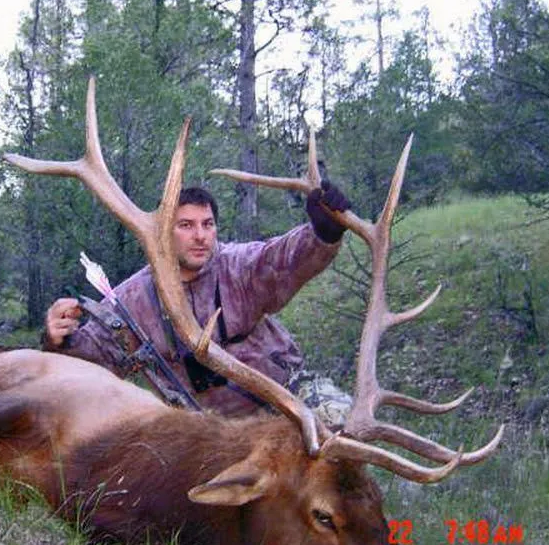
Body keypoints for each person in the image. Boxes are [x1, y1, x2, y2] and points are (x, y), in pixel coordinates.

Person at [42, 179, 353, 422]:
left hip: (283, 395)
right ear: (164, 232)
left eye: (208, 224)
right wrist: (60, 340)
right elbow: (96, 356)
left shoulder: (239, 265)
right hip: (203, 425)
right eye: (186, 225)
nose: (201, 236)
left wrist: (323, 232)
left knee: (337, 417)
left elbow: (285, 258)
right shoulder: (133, 298)